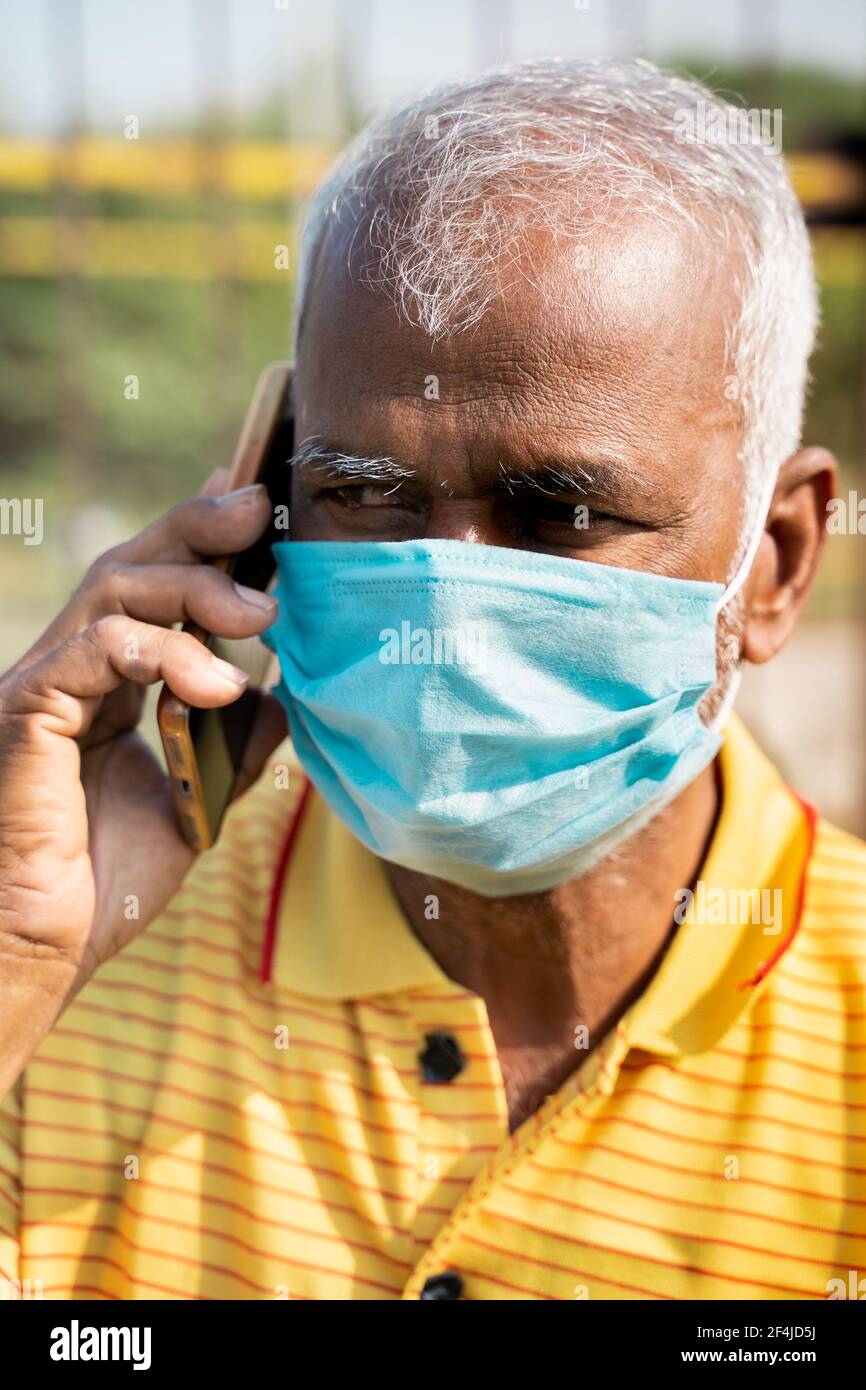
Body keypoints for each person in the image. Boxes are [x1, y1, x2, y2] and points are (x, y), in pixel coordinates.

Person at [1, 58, 863, 1302]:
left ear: (771, 563)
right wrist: (24, 957)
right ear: (263, 498)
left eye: (560, 511)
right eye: (362, 493)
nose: (444, 607)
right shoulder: (80, 951)